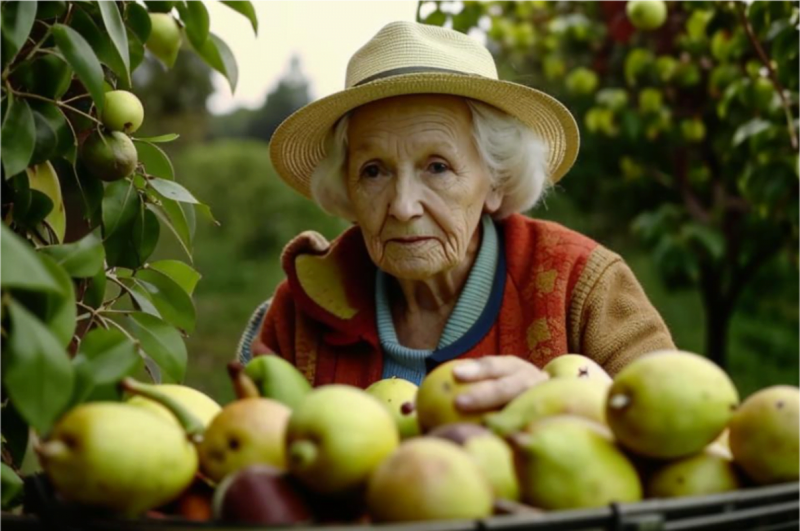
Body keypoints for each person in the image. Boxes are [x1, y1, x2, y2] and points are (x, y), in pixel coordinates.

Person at [236, 20, 675, 414]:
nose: (404, 206)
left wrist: (562, 402)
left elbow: (681, 431)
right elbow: (244, 471)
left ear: (497, 180)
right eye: (374, 171)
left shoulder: (583, 285)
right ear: (347, 188)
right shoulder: (298, 311)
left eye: (437, 167)